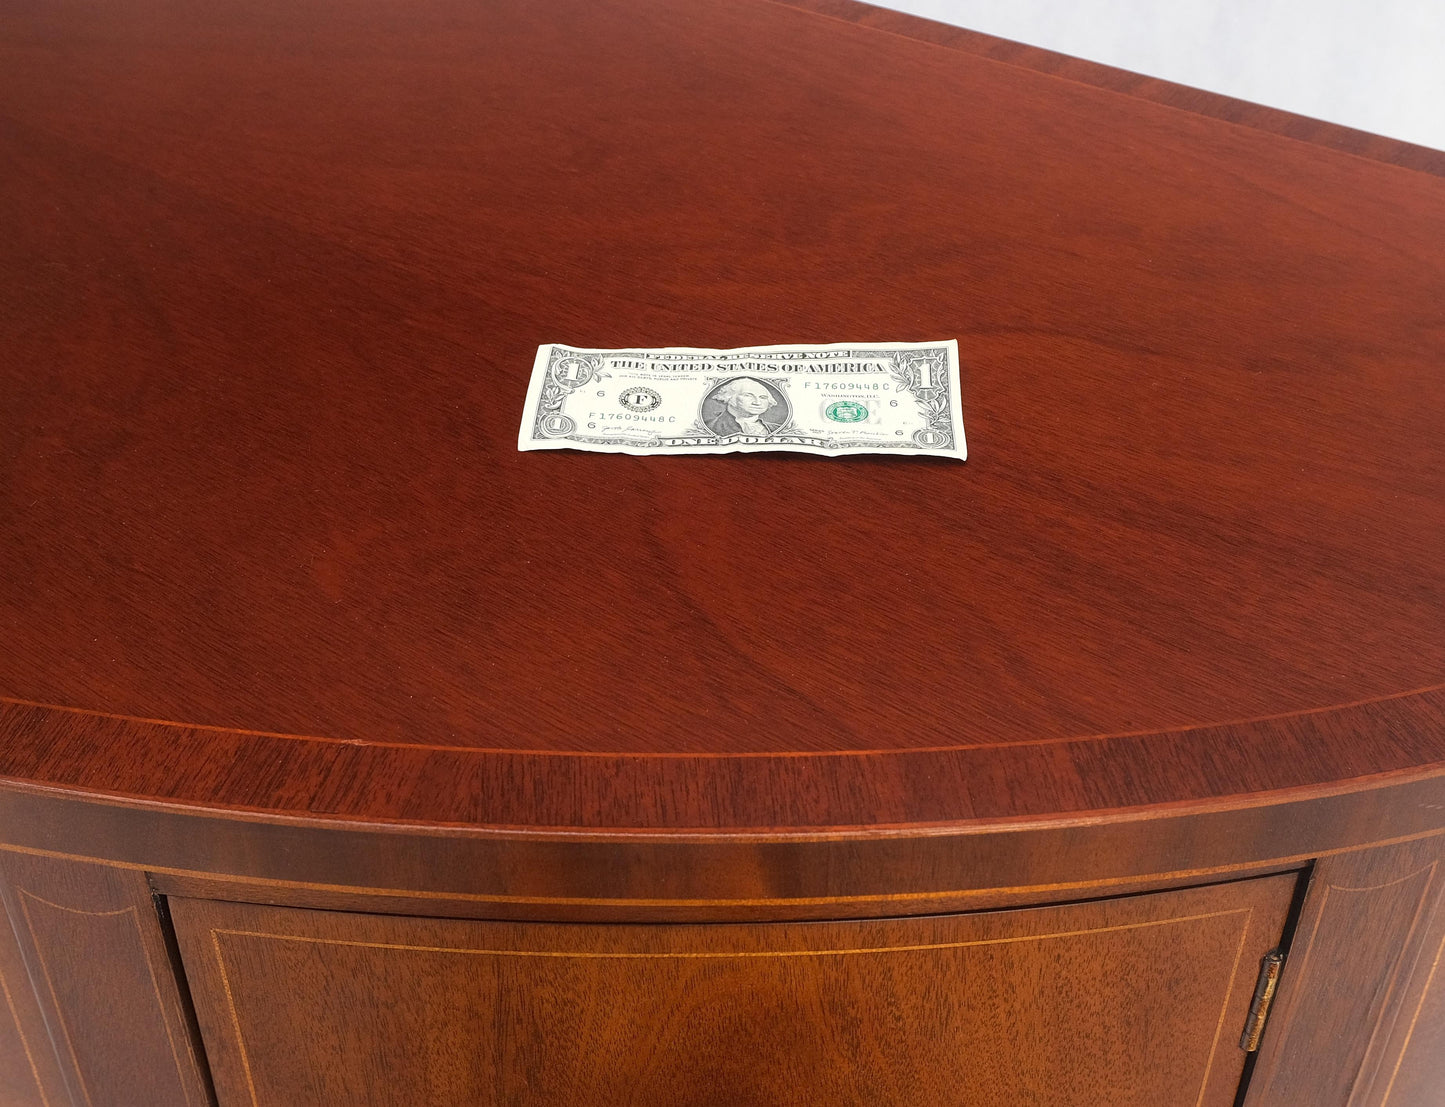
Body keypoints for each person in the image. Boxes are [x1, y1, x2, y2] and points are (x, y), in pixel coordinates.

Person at [704, 377, 785, 437]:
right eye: (748, 396)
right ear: (729, 397)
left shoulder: (777, 429)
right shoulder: (709, 426)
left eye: (763, 397)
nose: (757, 402)